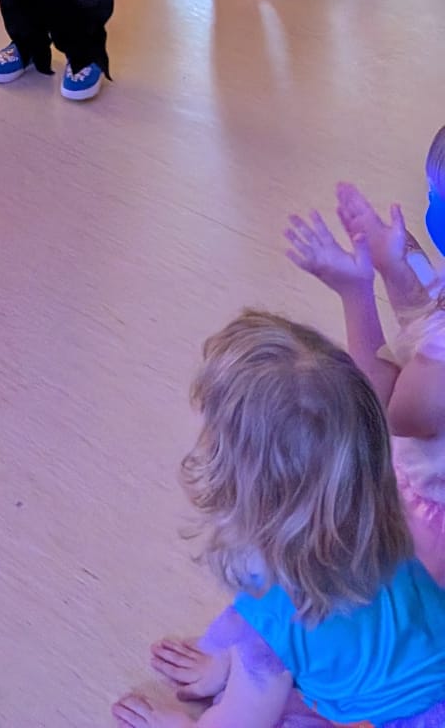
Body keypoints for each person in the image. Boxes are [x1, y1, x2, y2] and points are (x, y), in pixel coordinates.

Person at [113, 310, 445, 728]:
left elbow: (241, 724)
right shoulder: (377, 515)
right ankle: (238, 670)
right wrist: (233, 660)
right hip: (423, 666)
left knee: (261, 686)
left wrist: (182, 723)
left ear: (236, 474)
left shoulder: (276, 607)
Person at [285, 172, 445, 586]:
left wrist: (355, 291)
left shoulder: (438, 374)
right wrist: (394, 266)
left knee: (412, 603)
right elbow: (428, 311)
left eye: (436, 192)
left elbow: (382, 406)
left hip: (432, 533)